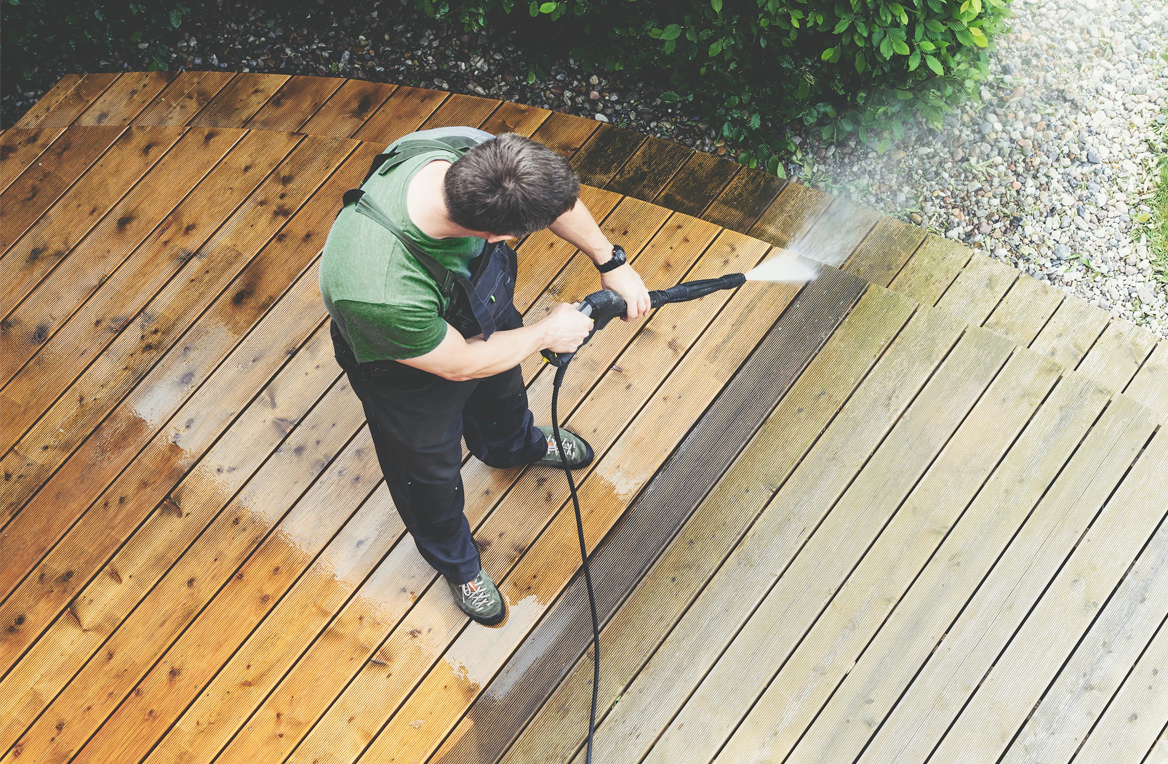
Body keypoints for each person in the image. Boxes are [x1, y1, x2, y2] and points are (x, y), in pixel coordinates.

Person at [320, 126, 650, 626]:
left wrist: (611, 260)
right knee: (428, 474)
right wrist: (547, 333)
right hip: (407, 369)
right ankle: (459, 564)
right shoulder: (374, 285)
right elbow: (460, 363)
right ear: (499, 236)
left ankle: (513, 447)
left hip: (482, 313)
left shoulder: (474, 154)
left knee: (503, 396)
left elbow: (555, 201)